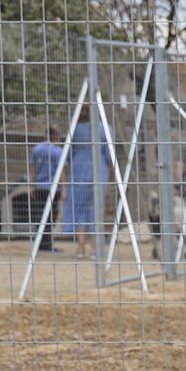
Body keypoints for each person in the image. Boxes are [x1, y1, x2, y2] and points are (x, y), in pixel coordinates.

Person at [61, 104, 112, 259]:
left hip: (78, 170)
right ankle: (95, 249)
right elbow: (110, 155)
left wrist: (63, 185)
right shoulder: (106, 129)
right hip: (99, 170)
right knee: (96, 208)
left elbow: (67, 156)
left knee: (80, 208)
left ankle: (81, 248)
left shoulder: (75, 130)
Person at [28, 124, 64, 251]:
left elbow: (34, 169)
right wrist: (63, 189)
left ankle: (39, 242)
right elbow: (61, 171)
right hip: (53, 187)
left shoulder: (36, 149)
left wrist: (33, 186)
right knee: (52, 215)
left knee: (40, 214)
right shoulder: (58, 151)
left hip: (40, 186)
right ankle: (47, 244)